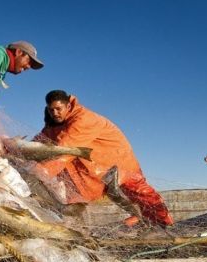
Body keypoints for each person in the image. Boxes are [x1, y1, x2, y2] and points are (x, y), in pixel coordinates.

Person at [32, 90, 174, 227]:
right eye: (51, 110)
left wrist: (38, 173)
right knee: (97, 197)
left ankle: (165, 225)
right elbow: (40, 142)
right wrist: (13, 148)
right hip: (96, 171)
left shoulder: (83, 119)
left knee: (141, 194)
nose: (55, 113)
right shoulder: (56, 123)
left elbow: (65, 150)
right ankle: (141, 220)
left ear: (68, 106)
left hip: (119, 162)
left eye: (58, 109)